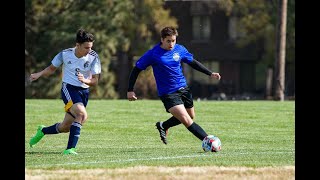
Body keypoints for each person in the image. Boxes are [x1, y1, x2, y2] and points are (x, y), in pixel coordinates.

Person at [127, 26, 221, 145]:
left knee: (191, 116)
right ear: (162, 39)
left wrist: (210, 73)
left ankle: (163, 125)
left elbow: (193, 63)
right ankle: (208, 141)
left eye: (173, 40)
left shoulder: (179, 49)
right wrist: (130, 90)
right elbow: (136, 69)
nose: (171, 44)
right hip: (168, 93)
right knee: (186, 120)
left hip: (183, 88)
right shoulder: (153, 54)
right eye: (168, 41)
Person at [28, 28, 101, 155]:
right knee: (82, 115)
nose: (89, 51)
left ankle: (43, 131)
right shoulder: (65, 54)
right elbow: (51, 69)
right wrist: (39, 74)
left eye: (90, 47)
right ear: (77, 45)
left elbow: (95, 80)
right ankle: (69, 149)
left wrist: (85, 80)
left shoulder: (93, 57)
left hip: (84, 92)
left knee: (65, 127)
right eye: (86, 47)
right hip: (69, 89)